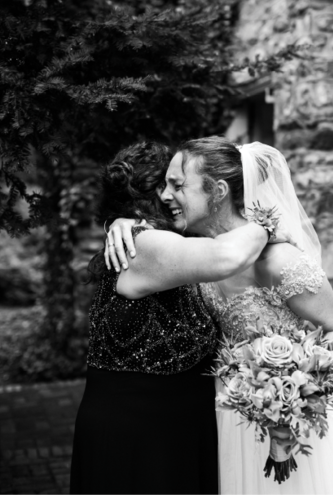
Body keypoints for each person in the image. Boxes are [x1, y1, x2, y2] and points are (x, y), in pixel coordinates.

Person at [107, 136, 333, 495]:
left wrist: (301, 405)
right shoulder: (194, 255)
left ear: (217, 191)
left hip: (286, 420)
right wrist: (119, 222)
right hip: (225, 415)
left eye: (177, 185)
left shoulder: (280, 261)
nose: (164, 196)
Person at [70, 141, 292, 495]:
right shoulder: (141, 245)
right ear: (149, 195)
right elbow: (226, 257)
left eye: (180, 184)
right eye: (168, 185)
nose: (176, 194)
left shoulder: (173, 243)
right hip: (137, 432)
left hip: (183, 426)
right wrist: (266, 223)